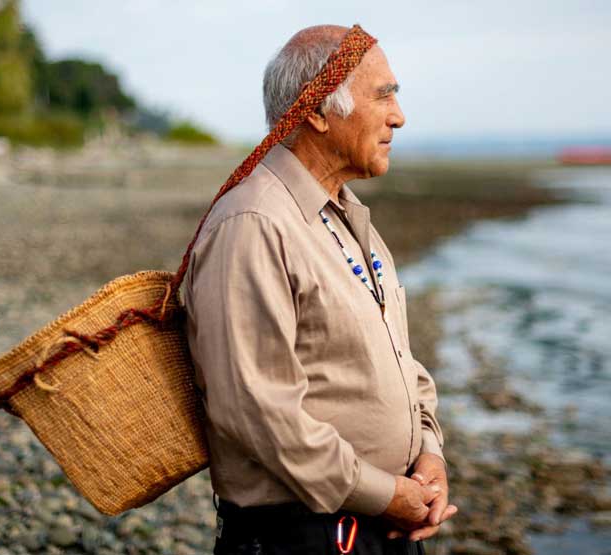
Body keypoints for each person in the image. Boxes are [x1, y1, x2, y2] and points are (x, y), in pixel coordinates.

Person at [183, 24, 457, 554]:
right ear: (316, 111)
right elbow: (257, 411)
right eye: (383, 96)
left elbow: (402, 362)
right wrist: (385, 493)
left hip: (383, 520)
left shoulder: (350, 218)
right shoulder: (253, 222)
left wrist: (430, 458)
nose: (398, 116)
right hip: (304, 534)